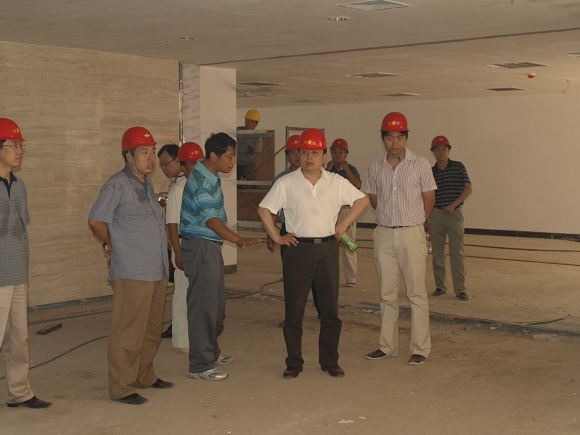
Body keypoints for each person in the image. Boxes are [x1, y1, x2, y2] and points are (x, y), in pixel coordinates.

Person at [258, 128, 369, 379]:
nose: (310, 157)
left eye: (315, 152)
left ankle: (330, 361)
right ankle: (294, 362)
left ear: (324, 155)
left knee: (330, 310)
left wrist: (344, 224)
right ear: (298, 154)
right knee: (294, 311)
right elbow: (264, 209)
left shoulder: (336, 181)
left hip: (328, 248)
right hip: (298, 250)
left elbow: (362, 200)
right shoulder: (286, 183)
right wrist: (276, 236)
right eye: (305, 152)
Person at [88, 126, 173, 405]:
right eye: (143, 152)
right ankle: (121, 386)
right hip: (133, 269)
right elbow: (96, 220)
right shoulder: (117, 184)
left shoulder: (146, 183)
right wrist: (112, 245)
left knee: (151, 328)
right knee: (128, 330)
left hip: (156, 268)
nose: (150, 157)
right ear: (128, 155)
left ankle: (143, 375)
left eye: (152, 151)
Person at [180, 133, 260, 381]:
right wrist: (238, 239)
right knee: (203, 308)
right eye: (230, 156)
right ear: (213, 156)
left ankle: (211, 352)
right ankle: (199, 365)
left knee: (216, 306)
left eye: (234, 156)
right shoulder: (200, 181)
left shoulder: (210, 173)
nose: (233, 161)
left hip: (210, 246)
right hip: (200, 247)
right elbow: (211, 221)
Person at [365, 112, 437, 366]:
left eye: (399, 137)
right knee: (387, 294)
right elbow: (374, 200)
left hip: (411, 233)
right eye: (389, 138)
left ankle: (420, 348)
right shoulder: (375, 166)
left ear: (406, 137)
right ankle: (387, 346)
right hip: (384, 233)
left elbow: (429, 199)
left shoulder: (421, 164)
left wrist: (416, 223)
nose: (394, 143)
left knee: (416, 293)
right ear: (383, 138)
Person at [0, 118, 52, 409]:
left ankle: (19, 392)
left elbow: (19, 227)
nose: (19, 150)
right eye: (13, 145)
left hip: (18, 272)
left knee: (19, 338)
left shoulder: (19, 186)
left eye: (21, 145)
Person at [267, 135, 320, 326]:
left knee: (318, 276)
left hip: (314, 232)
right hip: (289, 232)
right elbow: (272, 209)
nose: (298, 156)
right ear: (288, 156)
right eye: (293, 153)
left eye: (301, 152)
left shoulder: (319, 176)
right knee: (292, 277)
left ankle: (323, 310)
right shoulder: (282, 180)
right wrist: (271, 234)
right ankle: (292, 317)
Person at [165, 142, 204, 354]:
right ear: (183, 166)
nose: (196, 168)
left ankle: (196, 337)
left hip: (200, 245)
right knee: (182, 294)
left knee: (198, 296)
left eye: (199, 163)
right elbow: (171, 224)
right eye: (191, 164)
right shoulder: (178, 190)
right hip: (183, 245)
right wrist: (177, 254)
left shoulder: (202, 186)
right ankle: (181, 340)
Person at [429, 135, 473, 301]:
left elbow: (468, 188)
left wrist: (453, 205)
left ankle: (460, 289)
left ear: (449, 150)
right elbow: (428, 196)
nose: (441, 152)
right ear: (433, 152)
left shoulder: (458, 167)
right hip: (436, 215)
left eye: (444, 149)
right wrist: (427, 217)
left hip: (454, 215)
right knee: (438, 254)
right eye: (437, 149)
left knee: (457, 253)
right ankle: (440, 286)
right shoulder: (431, 172)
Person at [325, 138, 362, 287]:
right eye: (334, 151)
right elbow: (319, 186)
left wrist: (346, 169)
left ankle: (351, 277)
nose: (337, 154)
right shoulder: (327, 170)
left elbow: (357, 185)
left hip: (347, 210)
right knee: (328, 244)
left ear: (346, 154)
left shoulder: (351, 169)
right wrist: (327, 170)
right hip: (329, 209)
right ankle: (329, 275)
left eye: (341, 152)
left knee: (348, 242)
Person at [157, 143, 184, 339]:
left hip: (182, 242)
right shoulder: (175, 183)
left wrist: (176, 248)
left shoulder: (183, 185)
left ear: (178, 160)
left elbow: (174, 223)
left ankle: (181, 332)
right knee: (180, 289)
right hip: (175, 242)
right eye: (161, 165)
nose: (163, 168)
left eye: (166, 163)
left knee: (182, 291)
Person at [236, 109, 262, 180]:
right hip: (237, 162)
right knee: (233, 179)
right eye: (247, 121)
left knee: (250, 175)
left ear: (256, 124)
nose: (248, 123)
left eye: (251, 122)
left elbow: (257, 153)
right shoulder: (238, 131)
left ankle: (253, 186)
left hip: (248, 163)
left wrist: (256, 166)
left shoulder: (257, 136)